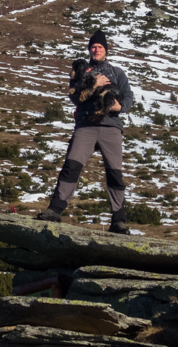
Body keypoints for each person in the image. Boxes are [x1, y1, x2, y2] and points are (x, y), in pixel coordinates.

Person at [35, 29, 134, 234]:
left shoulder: (118, 73)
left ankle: (119, 221)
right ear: (89, 50)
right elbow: (74, 97)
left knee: (115, 173)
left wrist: (119, 107)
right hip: (85, 126)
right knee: (71, 166)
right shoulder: (80, 71)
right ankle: (55, 210)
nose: (96, 49)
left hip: (111, 127)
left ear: (106, 49)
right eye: (93, 46)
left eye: (99, 46)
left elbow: (129, 98)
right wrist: (94, 84)